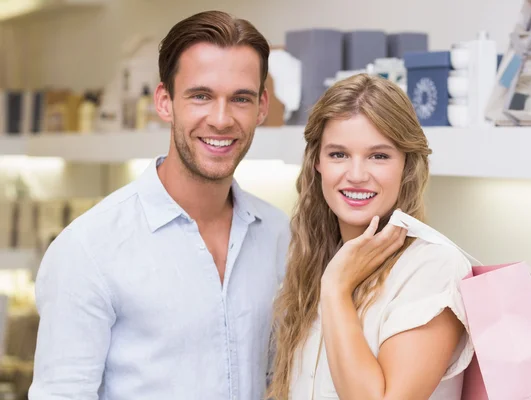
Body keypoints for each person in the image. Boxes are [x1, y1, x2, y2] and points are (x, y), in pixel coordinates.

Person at [29, 10, 290, 400]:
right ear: (165, 102)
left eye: (240, 98)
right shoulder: (87, 249)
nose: (221, 119)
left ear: (262, 107)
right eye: (201, 96)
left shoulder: (280, 235)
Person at [267, 74, 474, 400]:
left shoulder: (433, 270)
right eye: (338, 154)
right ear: (317, 162)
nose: (357, 175)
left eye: (379, 156)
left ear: (406, 164)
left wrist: (335, 289)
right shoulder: (309, 259)